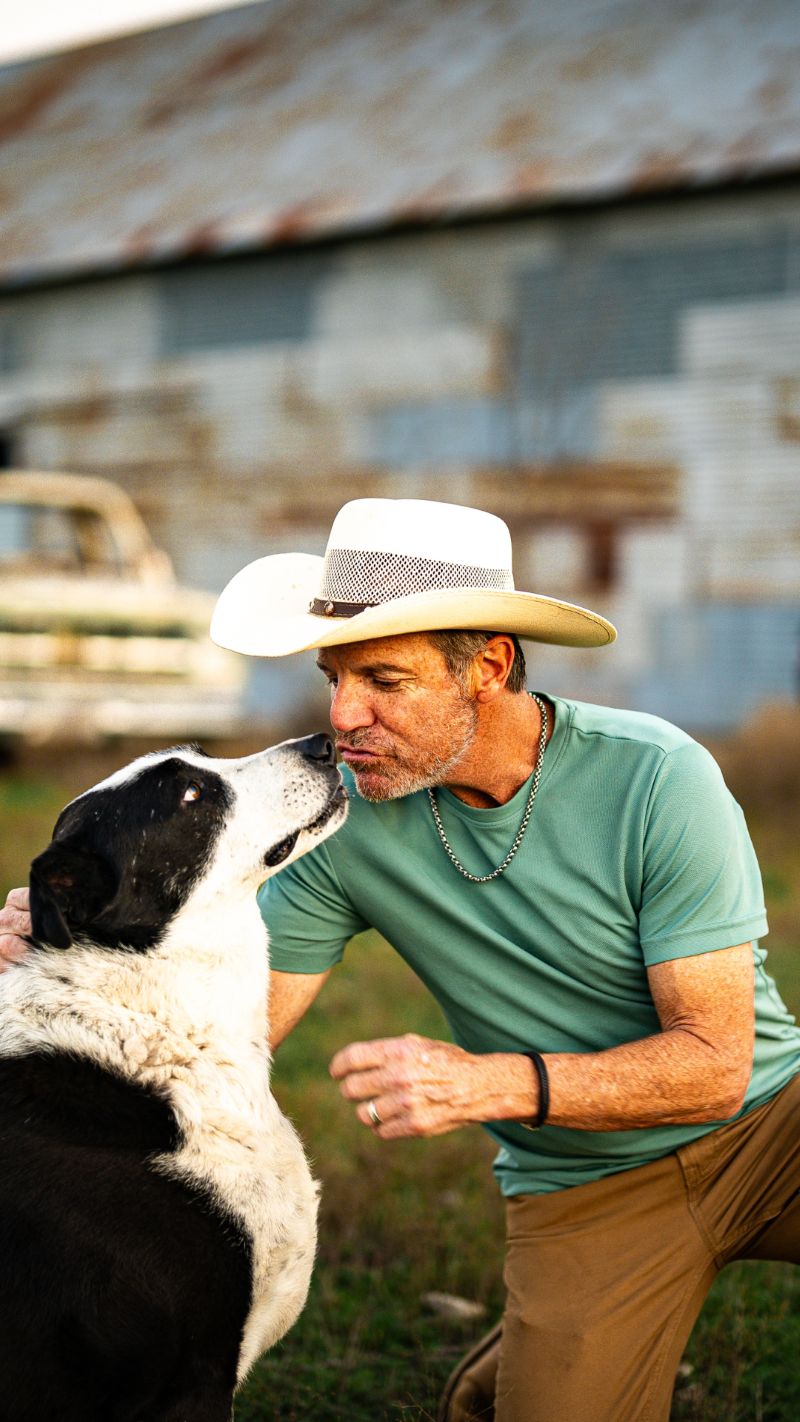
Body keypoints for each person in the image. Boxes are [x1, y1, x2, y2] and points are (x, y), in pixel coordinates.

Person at [2, 497, 799, 1422]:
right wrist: (70, 953)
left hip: (771, 1127)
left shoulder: (661, 777)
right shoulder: (337, 820)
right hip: (589, 1186)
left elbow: (715, 1066)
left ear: (488, 668)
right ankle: (545, 1353)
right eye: (333, 675)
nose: (343, 716)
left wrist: (486, 1084)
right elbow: (231, 1027)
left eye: (383, 679)